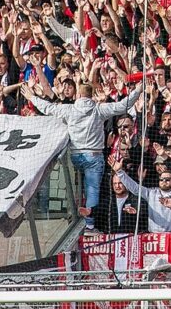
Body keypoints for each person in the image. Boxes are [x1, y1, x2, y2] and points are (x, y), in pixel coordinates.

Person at [23, 80, 143, 229]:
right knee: (92, 189)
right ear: (91, 96)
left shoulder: (69, 109)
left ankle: (71, 219)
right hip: (93, 156)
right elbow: (123, 106)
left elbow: (48, 108)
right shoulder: (99, 109)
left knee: (73, 188)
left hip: (74, 156)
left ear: (78, 94)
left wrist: (31, 97)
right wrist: (137, 90)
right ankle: (90, 225)